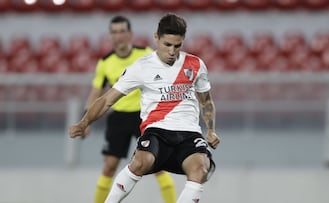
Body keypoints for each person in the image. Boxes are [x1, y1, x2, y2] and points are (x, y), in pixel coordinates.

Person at [69, 13, 220, 203]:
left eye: (177, 45)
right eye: (167, 45)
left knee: (201, 169)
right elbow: (107, 99)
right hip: (157, 131)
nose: (172, 51)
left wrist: (212, 130)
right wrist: (84, 122)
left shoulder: (196, 65)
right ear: (156, 38)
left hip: (189, 133)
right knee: (140, 162)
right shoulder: (141, 67)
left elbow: (206, 101)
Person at [83, 15, 176, 203]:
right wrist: (86, 120)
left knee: (158, 166)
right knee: (109, 167)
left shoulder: (145, 53)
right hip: (119, 117)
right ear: (110, 36)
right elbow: (96, 93)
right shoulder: (105, 62)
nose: (119, 36)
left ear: (130, 34)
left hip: (145, 117)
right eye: (114, 32)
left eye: (122, 31)